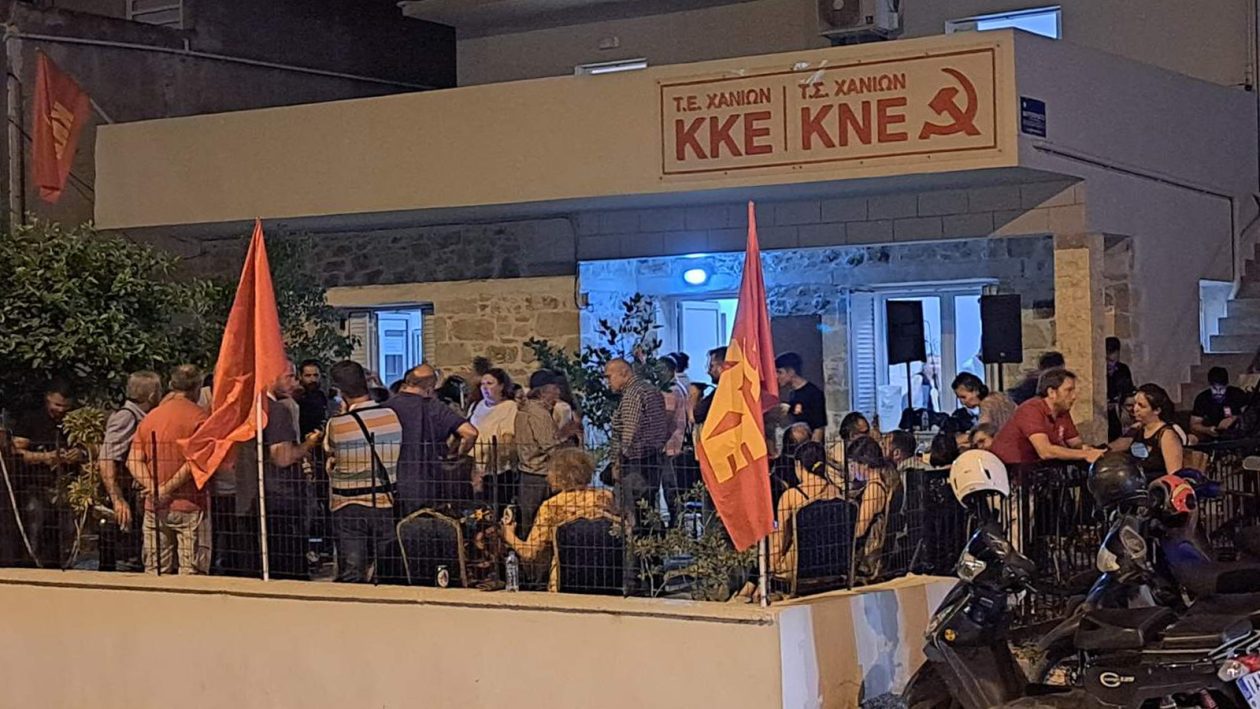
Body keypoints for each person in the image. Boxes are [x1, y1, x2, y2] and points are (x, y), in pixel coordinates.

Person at [323, 360, 402, 583]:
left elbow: (330, 452)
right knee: (385, 570)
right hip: (384, 499)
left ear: (340, 391)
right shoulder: (391, 415)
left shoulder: (337, 424)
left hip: (347, 503)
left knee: (352, 570)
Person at [128, 365, 210, 575]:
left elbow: (133, 460)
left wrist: (154, 488)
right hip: (191, 505)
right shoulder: (201, 419)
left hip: (154, 507)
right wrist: (166, 488)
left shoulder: (151, 417)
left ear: (172, 385)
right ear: (198, 387)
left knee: (156, 570)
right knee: (192, 572)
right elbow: (195, 462)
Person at [500, 448, 616, 591]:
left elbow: (530, 553)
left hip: (565, 581)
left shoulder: (552, 506)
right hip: (607, 577)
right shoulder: (605, 497)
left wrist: (508, 534)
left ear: (559, 476)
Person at [386, 363, 478, 514]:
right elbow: (470, 433)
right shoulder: (433, 407)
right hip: (429, 482)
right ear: (430, 388)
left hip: (392, 483)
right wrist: (457, 455)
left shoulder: (386, 407)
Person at [10, 378, 81, 565]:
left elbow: (95, 447)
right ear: (47, 398)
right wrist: (45, 457)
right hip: (36, 485)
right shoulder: (32, 419)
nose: (61, 410)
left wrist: (79, 453)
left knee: (68, 528)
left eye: (65, 407)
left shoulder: (76, 421)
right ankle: (33, 564)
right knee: (36, 523)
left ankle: (65, 564)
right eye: (57, 405)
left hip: (68, 486)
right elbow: (16, 452)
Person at [97, 371, 162, 571]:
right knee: (125, 558)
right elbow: (107, 458)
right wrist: (117, 499)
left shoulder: (140, 416)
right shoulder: (127, 417)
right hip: (126, 495)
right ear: (152, 395)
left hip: (134, 493)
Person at [989, 368, 1104, 468]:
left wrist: (1090, 450)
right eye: (1069, 390)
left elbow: (1075, 443)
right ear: (1051, 392)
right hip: (1009, 471)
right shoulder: (1031, 409)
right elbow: (1045, 451)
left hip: (1034, 470)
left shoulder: (1062, 411)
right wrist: (1085, 455)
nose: (1074, 396)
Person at [515, 370, 581, 536]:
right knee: (539, 525)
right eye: (554, 388)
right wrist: (567, 438)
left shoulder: (528, 409)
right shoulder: (539, 413)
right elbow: (550, 447)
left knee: (531, 523)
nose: (558, 392)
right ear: (543, 391)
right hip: (539, 475)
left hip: (529, 473)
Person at [769, 441, 842, 588]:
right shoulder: (836, 492)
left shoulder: (791, 496)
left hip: (799, 566)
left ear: (798, 465)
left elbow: (780, 539)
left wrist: (772, 566)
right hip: (832, 563)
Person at [606, 358, 668, 522]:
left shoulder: (632, 395)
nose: (607, 382)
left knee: (634, 511)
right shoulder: (650, 389)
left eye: (609, 376)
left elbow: (630, 432)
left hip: (635, 462)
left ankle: (638, 537)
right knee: (648, 506)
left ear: (624, 373)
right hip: (653, 457)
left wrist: (618, 461)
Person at [1110, 384, 1186, 478]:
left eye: (1141, 406)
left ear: (1156, 410)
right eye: (1135, 404)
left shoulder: (1167, 435)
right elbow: (1122, 443)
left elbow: (1174, 475)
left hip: (1154, 484)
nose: (1135, 409)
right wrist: (1100, 451)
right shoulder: (1137, 428)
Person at [467, 368, 518, 497]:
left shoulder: (509, 406)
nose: (484, 387)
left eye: (489, 384)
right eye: (482, 384)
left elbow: (508, 436)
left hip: (497, 466)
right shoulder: (477, 406)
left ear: (501, 386)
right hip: (474, 463)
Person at [775, 352, 828, 441]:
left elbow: (819, 427)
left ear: (791, 372)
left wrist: (813, 447)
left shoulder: (814, 393)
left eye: (780, 372)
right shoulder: (792, 393)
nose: (776, 376)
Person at [1190, 367, 1249, 441]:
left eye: (1221, 389)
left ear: (1227, 385)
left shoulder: (1237, 394)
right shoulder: (1202, 398)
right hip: (1214, 437)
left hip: (1239, 436)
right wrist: (1207, 430)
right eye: (1214, 389)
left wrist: (1234, 418)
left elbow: (1249, 416)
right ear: (1209, 385)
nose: (1218, 392)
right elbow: (1194, 425)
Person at [951, 372, 1016, 432]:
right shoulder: (1000, 397)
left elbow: (983, 432)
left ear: (976, 391)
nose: (962, 402)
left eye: (963, 397)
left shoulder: (986, 404)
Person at [1105, 338, 1136, 441]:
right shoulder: (1100, 369)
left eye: (1112, 361)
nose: (1109, 364)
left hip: (1119, 409)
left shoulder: (1123, 369)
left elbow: (1128, 390)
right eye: (1107, 360)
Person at [295, 360, 330, 438]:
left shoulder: (321, 396)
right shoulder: (296, 397)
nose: (313, 379)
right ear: (300, 376)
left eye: (315, 375)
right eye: (308, 376)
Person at [694, 346, 725, 429]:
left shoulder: (721, 393)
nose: (708, 371)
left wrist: (694, 396)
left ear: (723, 366)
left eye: (711, 366)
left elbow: (697, 415)